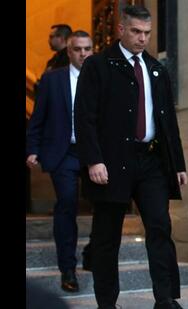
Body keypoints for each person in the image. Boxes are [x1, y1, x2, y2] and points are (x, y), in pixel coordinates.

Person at [74, 5, 187, 309]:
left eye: (147, 33)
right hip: (111, 163)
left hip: (151, 162)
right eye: (136, 31)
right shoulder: (98, 65)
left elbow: (167, 121)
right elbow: (84, 117)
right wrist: (93, 160)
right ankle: (107, 303)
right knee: (107, 237)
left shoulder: (156, 69)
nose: (142, 38)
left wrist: (178, 164)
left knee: (161, 228)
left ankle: (166, 299)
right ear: (121, 30)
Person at [26, 30, 94, 293]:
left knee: (108, 202)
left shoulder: (102, 79)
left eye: (87, 49)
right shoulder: (52, 80)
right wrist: (32, 148)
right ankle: (68, 268)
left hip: (93, 153)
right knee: (67, 202)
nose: (83, 54)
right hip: (63, 152)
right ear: (69, 51)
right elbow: (38, 117)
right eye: (78, 49)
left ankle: (92, 251)